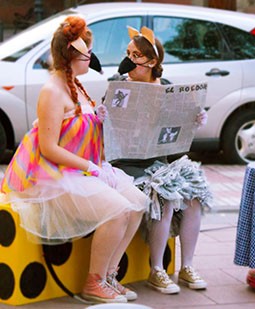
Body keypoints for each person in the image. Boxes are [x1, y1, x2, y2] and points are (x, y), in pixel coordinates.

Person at [0, 16, 148, 303]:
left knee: (138, 202)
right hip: (52, 174)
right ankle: (93, 283)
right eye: (86, 52)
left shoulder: (77, 85)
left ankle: (108, 275)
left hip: (81, 168)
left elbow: (80, 131)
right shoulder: (52, 92)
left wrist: (100, 123)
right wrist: (91, 168)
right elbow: (48, 148)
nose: (91, 57)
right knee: (118, 210)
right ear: (71, 54)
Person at [109, 26, 212, 294]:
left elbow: (177, 133)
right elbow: (107, 129)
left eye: (136, 55)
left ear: (152, 61)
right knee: (163, 198)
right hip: (127, 167)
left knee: (194, 196)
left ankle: (186, 266)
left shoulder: (165, 88)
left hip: (160, 163)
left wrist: (195, 119)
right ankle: (157, 269)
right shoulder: (120, 84)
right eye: (127, 53)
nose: (129, 59)